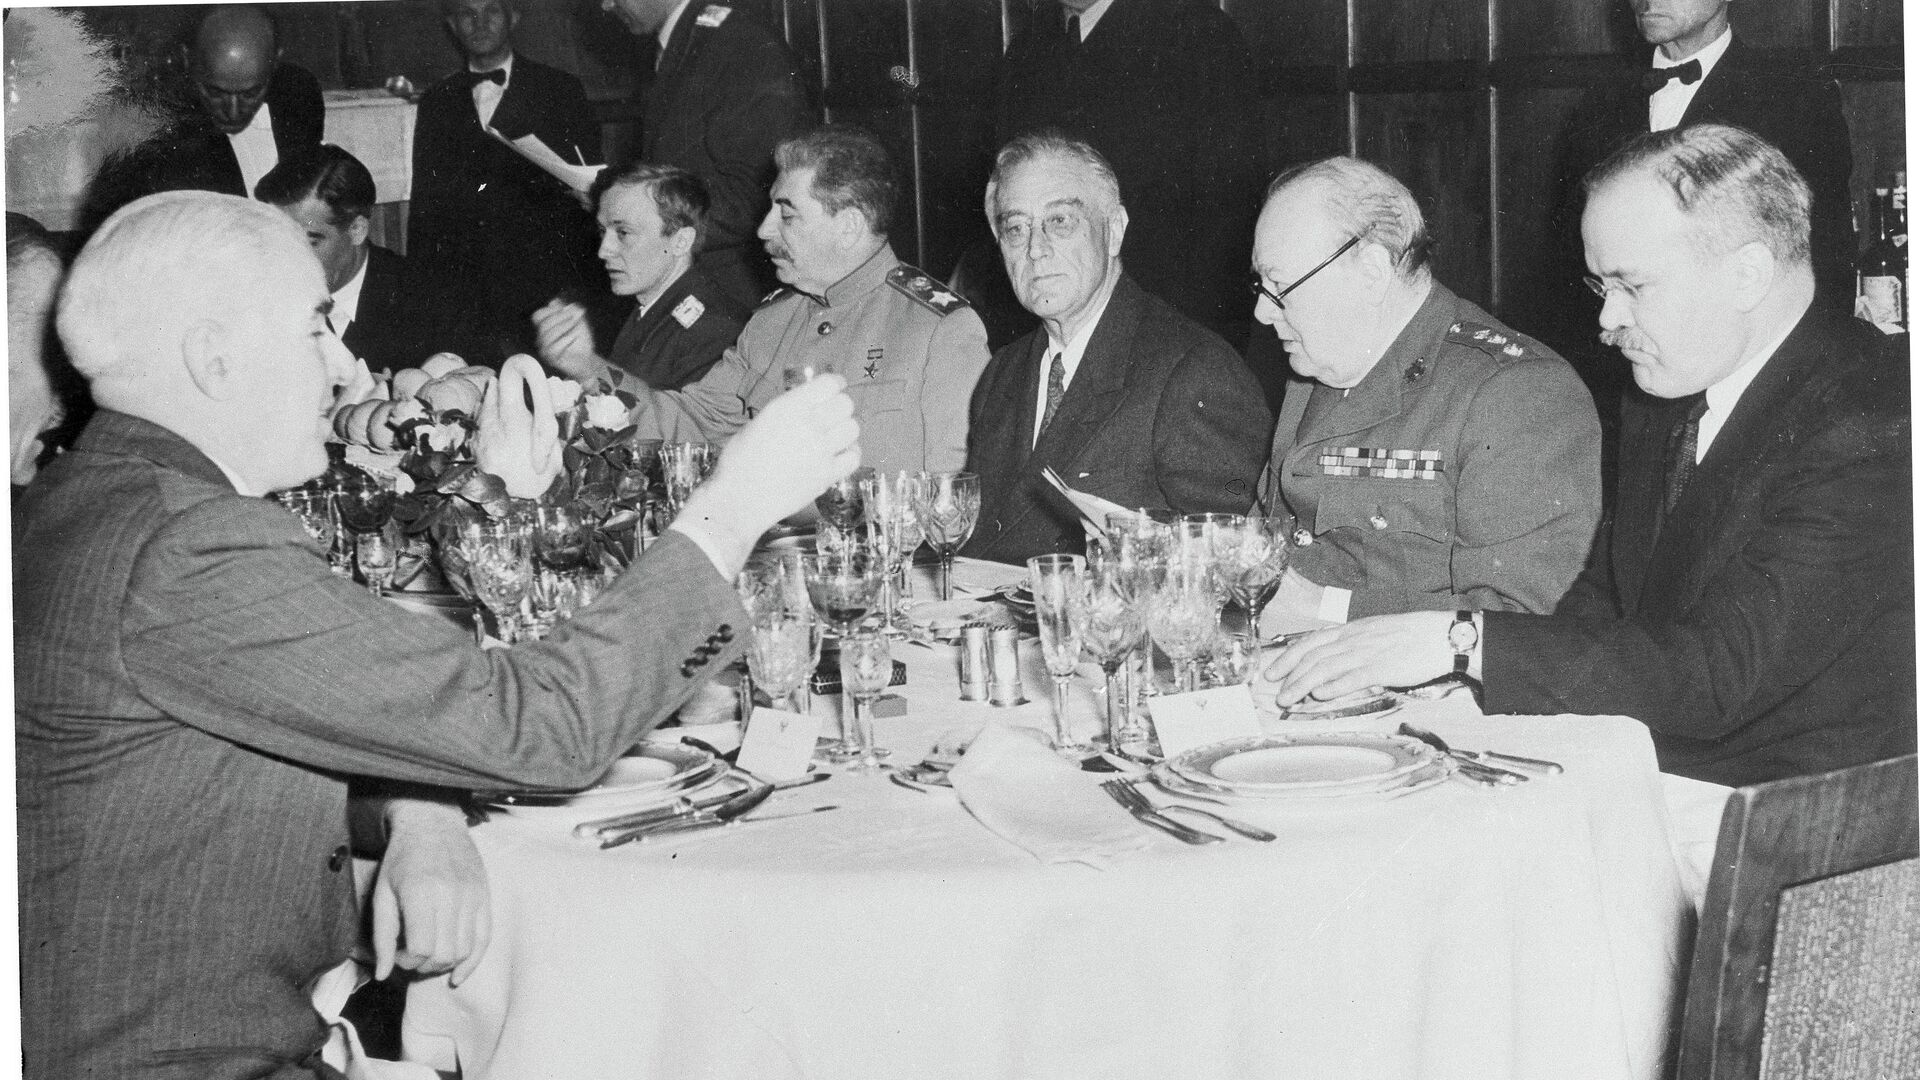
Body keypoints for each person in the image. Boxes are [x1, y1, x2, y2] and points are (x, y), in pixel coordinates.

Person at [15, 189, 861, 1079]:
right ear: (213, 359)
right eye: (313, 329)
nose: (340, 369)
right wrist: (732, 510)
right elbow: (542, 727)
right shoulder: (188, 545)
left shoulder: (85, 500)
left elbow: (245, 747)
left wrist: (418, 810)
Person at [1263, 125, 1914, 789]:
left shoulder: (1878, 416)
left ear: (1747, 274)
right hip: (1649, 770)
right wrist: (1464, 690)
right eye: (1602, 289)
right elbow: (1603, 602)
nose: (1607, 321)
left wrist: (1459, 642)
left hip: (1798, 811)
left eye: (1633, 286)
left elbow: (1716, 673)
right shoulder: (1669, 393)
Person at [1252, 158, 1602, 621]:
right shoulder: (1318, 372)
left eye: (1280, 286)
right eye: (1261, 286)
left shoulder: (1517, 392)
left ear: (1372, 271)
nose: (1262, 312)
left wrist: (1328, 609)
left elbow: (1521, 624)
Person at [1526, 0, 1856, 405]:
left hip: (1758, 394)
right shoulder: (1597, 104)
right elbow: (1567, 274)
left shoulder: (1795, 99)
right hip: (1619, 385)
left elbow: (1827, 262)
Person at [961, 133, 1270, 564]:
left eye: (1060, 221)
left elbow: (1229, 561)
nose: (1035, 250)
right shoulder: (1001, 375)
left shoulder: (1193, 370)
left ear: (1114, 231)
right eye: (1015, 229)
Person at [628, 125, 992, 475]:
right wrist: (600, 379)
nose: (763, 230)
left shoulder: (939, 329)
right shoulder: (770, 322)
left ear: (849, 227)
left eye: (787, 215)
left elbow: (959, 491)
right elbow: (694, 422)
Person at [993, 0, 1266, 350]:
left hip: (1165, 336)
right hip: (1051, 337)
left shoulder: (1199, 35)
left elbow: (1229, 221)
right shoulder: (1025, 54)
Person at [408, 0, 604, 363]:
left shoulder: (560, 89)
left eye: (492, 11)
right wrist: (425, 290)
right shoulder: (437, 100)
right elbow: (425, 203)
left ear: (513, 17)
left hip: (543, 280)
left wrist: (579, 287)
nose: (480, 23)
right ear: (452, 24)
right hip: (467, 285)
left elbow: (590, 186)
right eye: (467, 14)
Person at [600, 0, 816, 312]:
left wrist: (643, 224)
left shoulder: (739, 44)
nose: (606, 5)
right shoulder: (692, 39)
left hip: (730, 299)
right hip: (693, 289)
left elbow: (753, 197)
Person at [82, 5, 324, 223]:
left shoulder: (299, 94)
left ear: (275, 61)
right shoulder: (151, 129)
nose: (233, 111)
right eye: (215, 92)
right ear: (188, 58)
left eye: (251, 93)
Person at [532, 162, 747, 391]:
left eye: (623, 232)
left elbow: (668, 414)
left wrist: (588, 369)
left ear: (681, 241)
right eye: (603, 231)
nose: (604, 251)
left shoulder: (715, 331)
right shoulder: (650, 304)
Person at [256, 144, 432, 374]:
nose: (288, 259)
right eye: (279, 238)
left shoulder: (425, 303)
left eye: (309, 242)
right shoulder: (258, 302)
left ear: (356, 230)